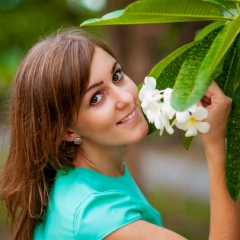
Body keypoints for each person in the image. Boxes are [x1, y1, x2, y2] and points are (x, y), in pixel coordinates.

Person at [0, 28, 239, 240]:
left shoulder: (89, 173)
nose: (126, 98)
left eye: (116, 76)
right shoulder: (96, 216)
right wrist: (216, 144)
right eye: (96, 98)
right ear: (66, 130)